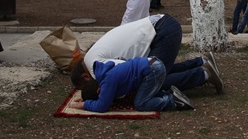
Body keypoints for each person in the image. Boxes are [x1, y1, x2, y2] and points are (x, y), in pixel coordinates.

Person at [71, 14, 223, 94]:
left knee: (152, 82)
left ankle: (204, 74)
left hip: (162, 32)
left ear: (86, 76)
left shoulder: (94, 66)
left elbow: (126, 70)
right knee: (159, 70)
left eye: (86, 86)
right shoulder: (91, 57)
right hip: (162, 27)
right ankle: (202, 62)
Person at [70, 57, 194, 112]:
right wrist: (86, 96)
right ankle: (169, 94)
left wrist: (83, 104)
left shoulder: (107, 81)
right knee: (144, 95)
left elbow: (102, 106)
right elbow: (103, 97)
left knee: (141, 104)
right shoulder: (104, 73)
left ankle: (172, 101)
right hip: (152, 64)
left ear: (99, 90)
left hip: (152, 70)